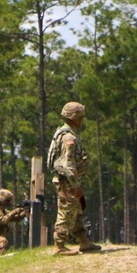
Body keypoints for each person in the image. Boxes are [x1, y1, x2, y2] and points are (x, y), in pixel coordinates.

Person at [48, 101, 101, 255]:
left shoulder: (63, 133)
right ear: (76, 118)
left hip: (68, 181)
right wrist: (75, 185)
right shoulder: (68, 138)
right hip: (67, 182)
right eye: (81, 117)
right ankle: (59, 245)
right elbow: (68, 163)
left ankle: (84, 241)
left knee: (76, 211)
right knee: (66, 212)